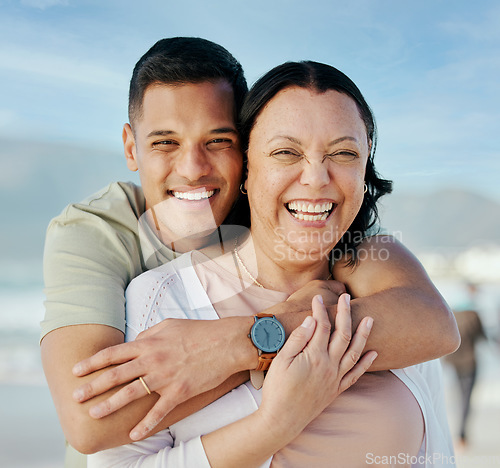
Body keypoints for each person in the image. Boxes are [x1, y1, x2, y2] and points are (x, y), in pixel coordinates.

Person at [40, 38, 459, 467]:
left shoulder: (367, 267)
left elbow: (434, 327)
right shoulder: (113, 252)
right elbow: (91, 422)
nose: (192, 168)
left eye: (343, 152)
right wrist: (269, 391)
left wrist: (241, 344)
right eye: (285, 152)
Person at [445, 283, 486, 448]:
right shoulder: (473, 313)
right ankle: (461, 435)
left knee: (456, 396)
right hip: (469, 362)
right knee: (466, 399)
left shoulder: (452, 313)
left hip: (452, 361)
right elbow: (482, 337)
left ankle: (456, 435)